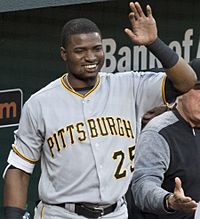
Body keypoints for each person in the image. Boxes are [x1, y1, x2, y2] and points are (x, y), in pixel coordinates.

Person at [3, 1, 197, 219]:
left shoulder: (129, 86)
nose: (90, 57)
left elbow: (186, 81)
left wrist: (154, 43)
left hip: (115, 212)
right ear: (64, 54)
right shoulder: (40, 103)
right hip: (61, 214)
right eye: (80, 51)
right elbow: (19, 170)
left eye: (96, 49)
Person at [131, 58, 200, 219]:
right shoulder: (159, 132)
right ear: (181, 92)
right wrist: (168, 200)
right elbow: (143, 185)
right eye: (198, 88)